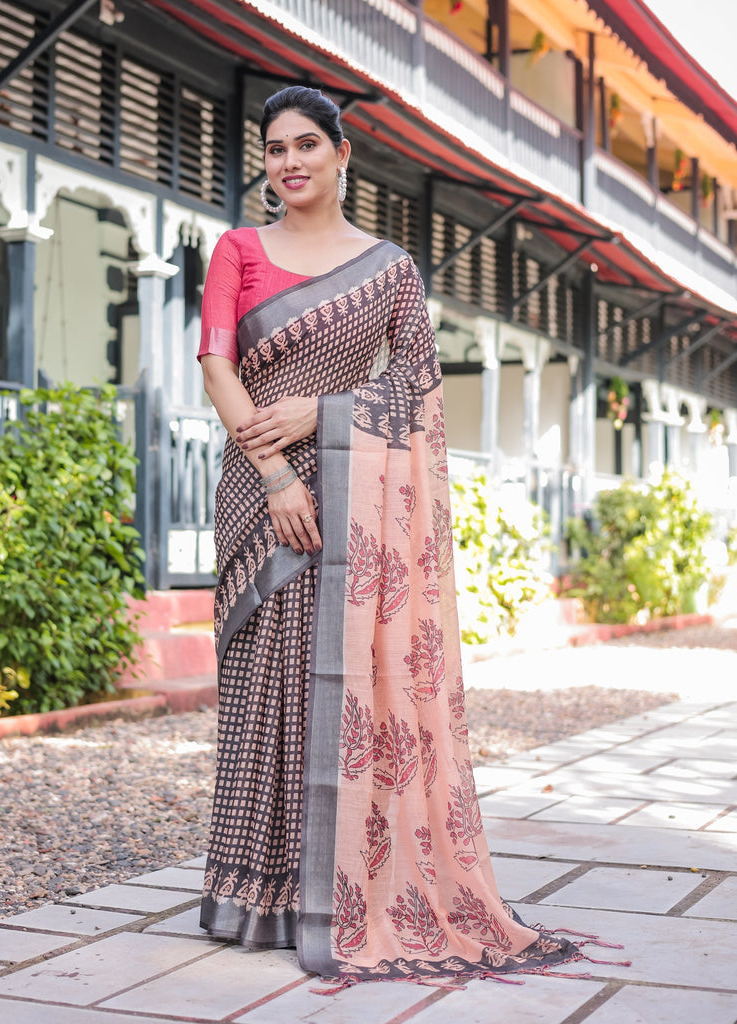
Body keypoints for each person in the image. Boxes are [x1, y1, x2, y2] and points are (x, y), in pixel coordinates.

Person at [196, 85, 614, 987]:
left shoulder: (388, 268)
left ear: (344, 156)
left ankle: (338, 891)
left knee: (337, 685)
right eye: (274, 149)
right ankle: (257, 891)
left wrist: (322, 411)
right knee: (264, 684)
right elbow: (217, 365)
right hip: (257, 487)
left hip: (350, 494)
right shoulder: (236, 250)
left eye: (308, 144)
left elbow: (418, 392)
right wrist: (272, 472)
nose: (290, 162)